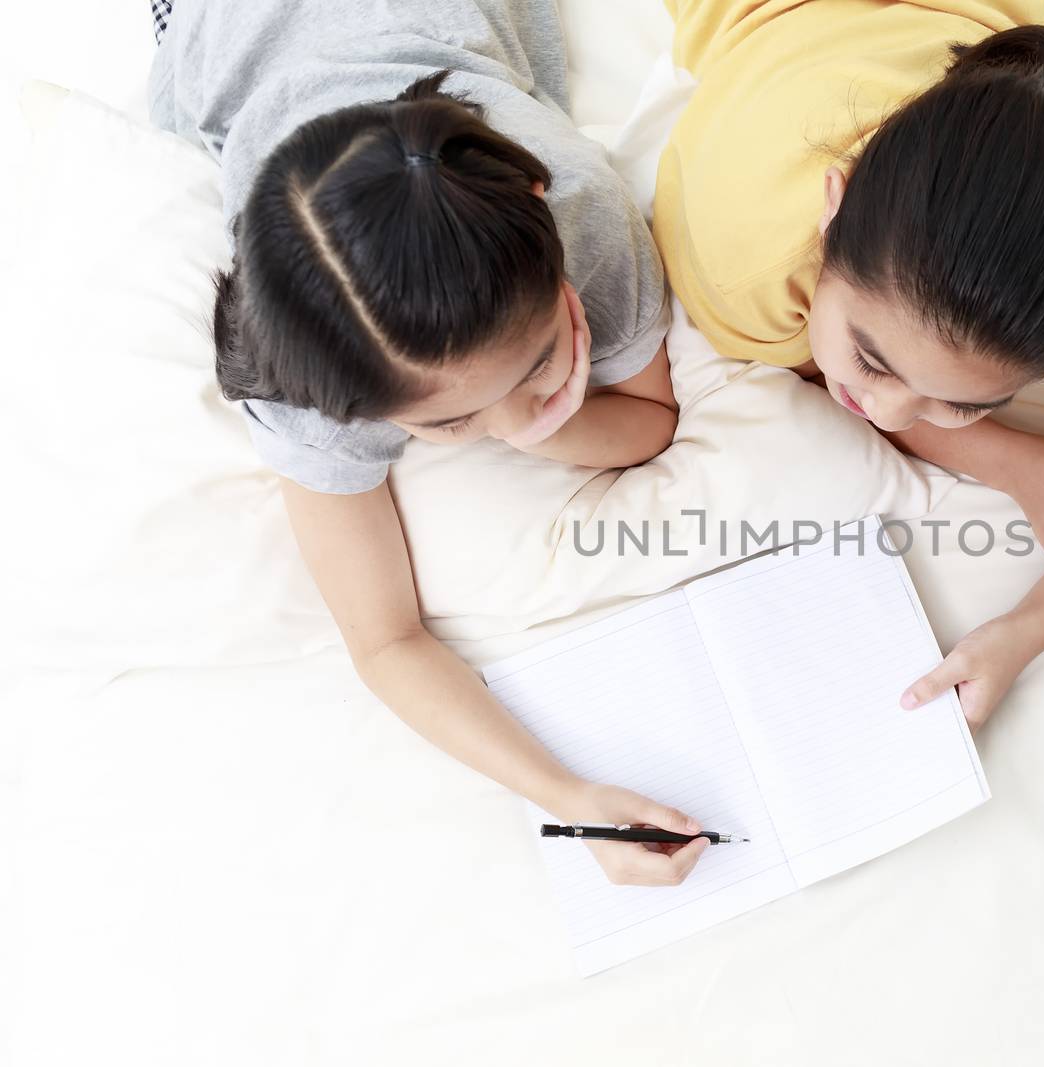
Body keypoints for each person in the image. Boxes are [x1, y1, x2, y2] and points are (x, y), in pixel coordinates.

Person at [149, 0, 709, 887]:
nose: (510, 410)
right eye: (451, 423)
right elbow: (384, 641)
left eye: (539, 362)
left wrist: (531, 430)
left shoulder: (577, 207)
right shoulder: (312, 379)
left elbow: (651, 421)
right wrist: (562, 791)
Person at [654, 4, 1044, 728]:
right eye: (871, 360)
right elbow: (808, 370)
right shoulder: (746, 256)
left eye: (965, 404)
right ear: (832, 210)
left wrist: (1024, 629)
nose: (887, 413)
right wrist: (1011, 461)